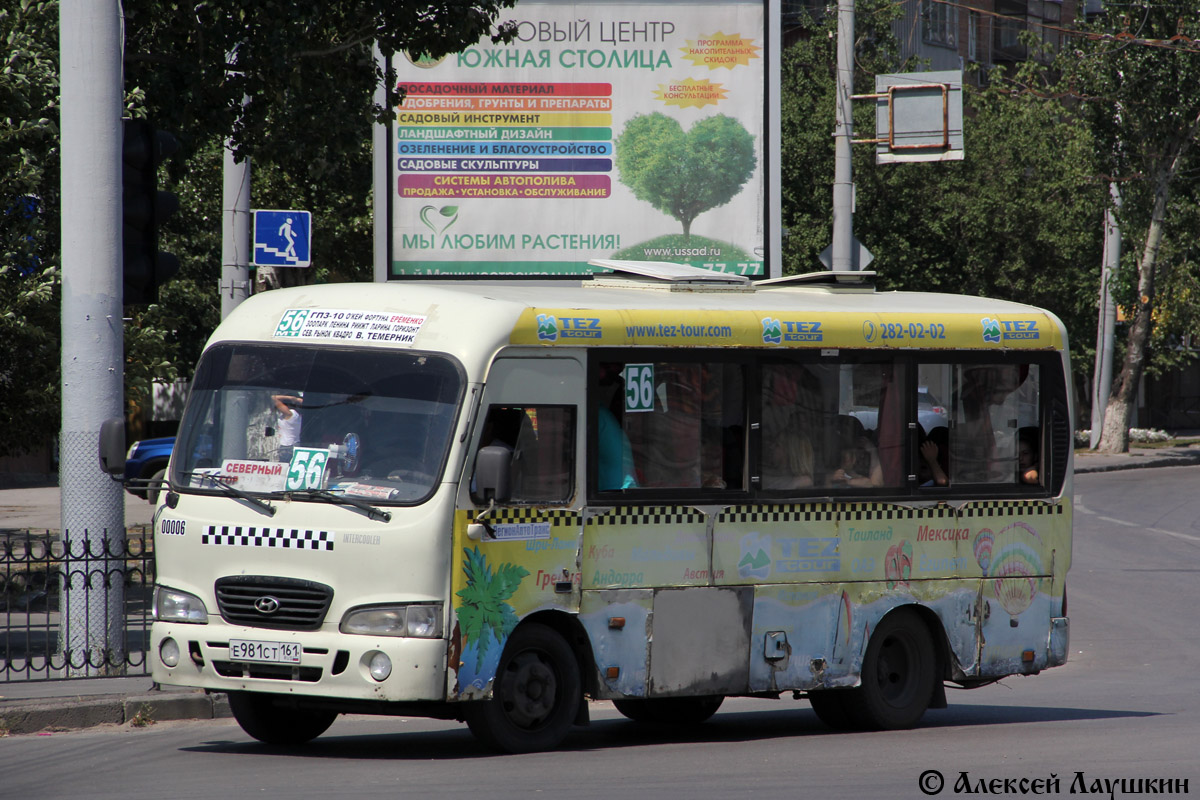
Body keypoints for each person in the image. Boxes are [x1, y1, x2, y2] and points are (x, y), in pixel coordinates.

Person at [827, 417, 883, 488]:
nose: (847, 457)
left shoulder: (857, 477)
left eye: (853, 453)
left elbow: (875, 484)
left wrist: (873, 452)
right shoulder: (831, 475)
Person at [762, 426, 814, 490]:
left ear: (790, 452)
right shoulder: (773, 475)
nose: (771, 447)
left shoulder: (803, 482)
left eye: (777, 445)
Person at [272, 393, 303, 461]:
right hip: (293, 445)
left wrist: (291, 398)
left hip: (288, 447)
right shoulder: (298, 415)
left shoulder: (290, 414)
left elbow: (273, 397)